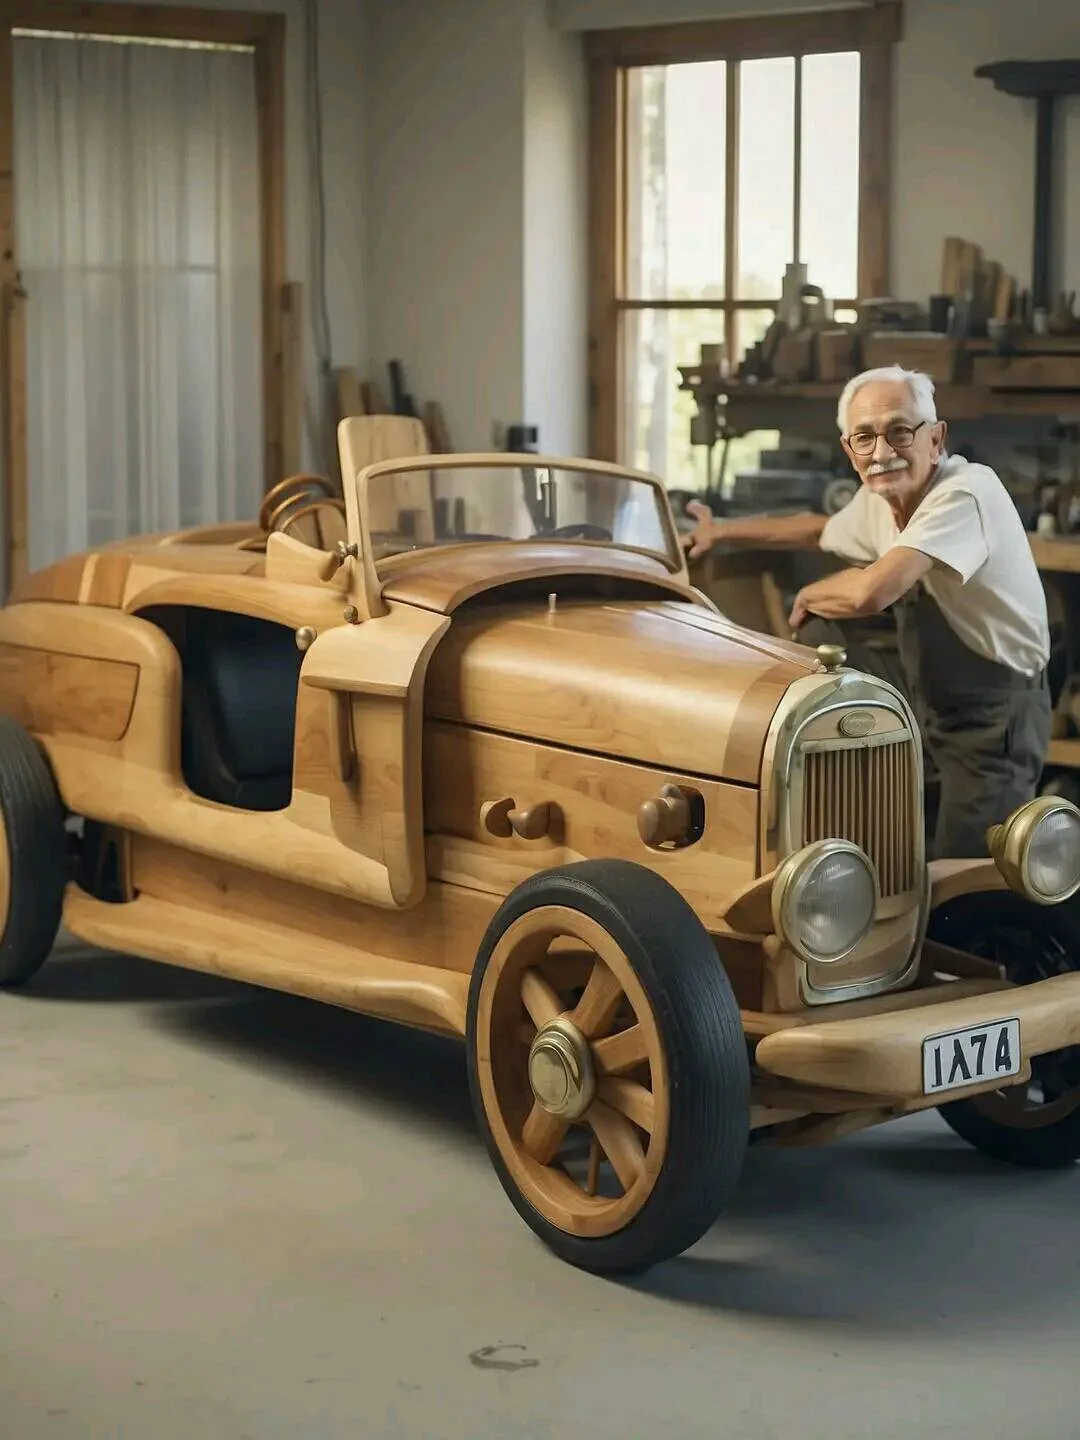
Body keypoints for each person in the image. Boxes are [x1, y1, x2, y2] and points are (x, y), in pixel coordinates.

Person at [683, 364, 1051, 860]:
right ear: (848, 449)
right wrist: (721, 532)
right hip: (934, 704)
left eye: (901, 432)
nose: (882, 453)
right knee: (911, 859)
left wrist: (809, 597)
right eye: (865, 438)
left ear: (936, 439)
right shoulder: (882, 495)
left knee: (971, 881)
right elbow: (820, 529)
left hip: (996, 716)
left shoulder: (964, 493)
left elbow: (871, 593)